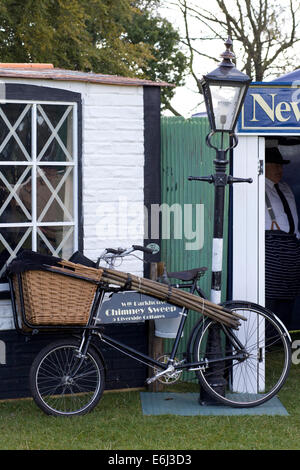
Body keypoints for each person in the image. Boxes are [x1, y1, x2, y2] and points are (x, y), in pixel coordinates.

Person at [265, 146, 300, 328]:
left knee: (289, 298)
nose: (280, 169)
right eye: (275, 165)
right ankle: (269, 343)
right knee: (270, 298)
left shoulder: (285, 187)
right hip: (271, 248)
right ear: (263, 165)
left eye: (281, 165)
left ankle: (282, 342)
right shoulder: (258, 188)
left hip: (292, 247)